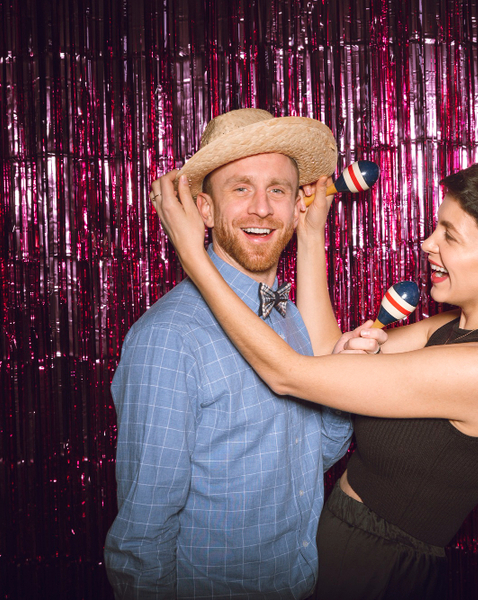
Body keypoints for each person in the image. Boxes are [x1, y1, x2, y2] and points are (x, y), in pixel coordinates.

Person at [151, 155, 478, 599]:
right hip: (335, 544)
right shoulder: (453, 328)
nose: (428, 244)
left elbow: (287, 374)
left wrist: (194, 257)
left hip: (379, 573)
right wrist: (311, 231)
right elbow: (325, 354)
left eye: (449, 236)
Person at [104, 108, 354, 599]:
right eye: (241, 188)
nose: (262, 209)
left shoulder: (288, 314)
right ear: (205, 210)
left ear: (295, 206)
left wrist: (345, 377)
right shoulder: (170, 339)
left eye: (278, 190)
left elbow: (313, 456)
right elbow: (143, 534)